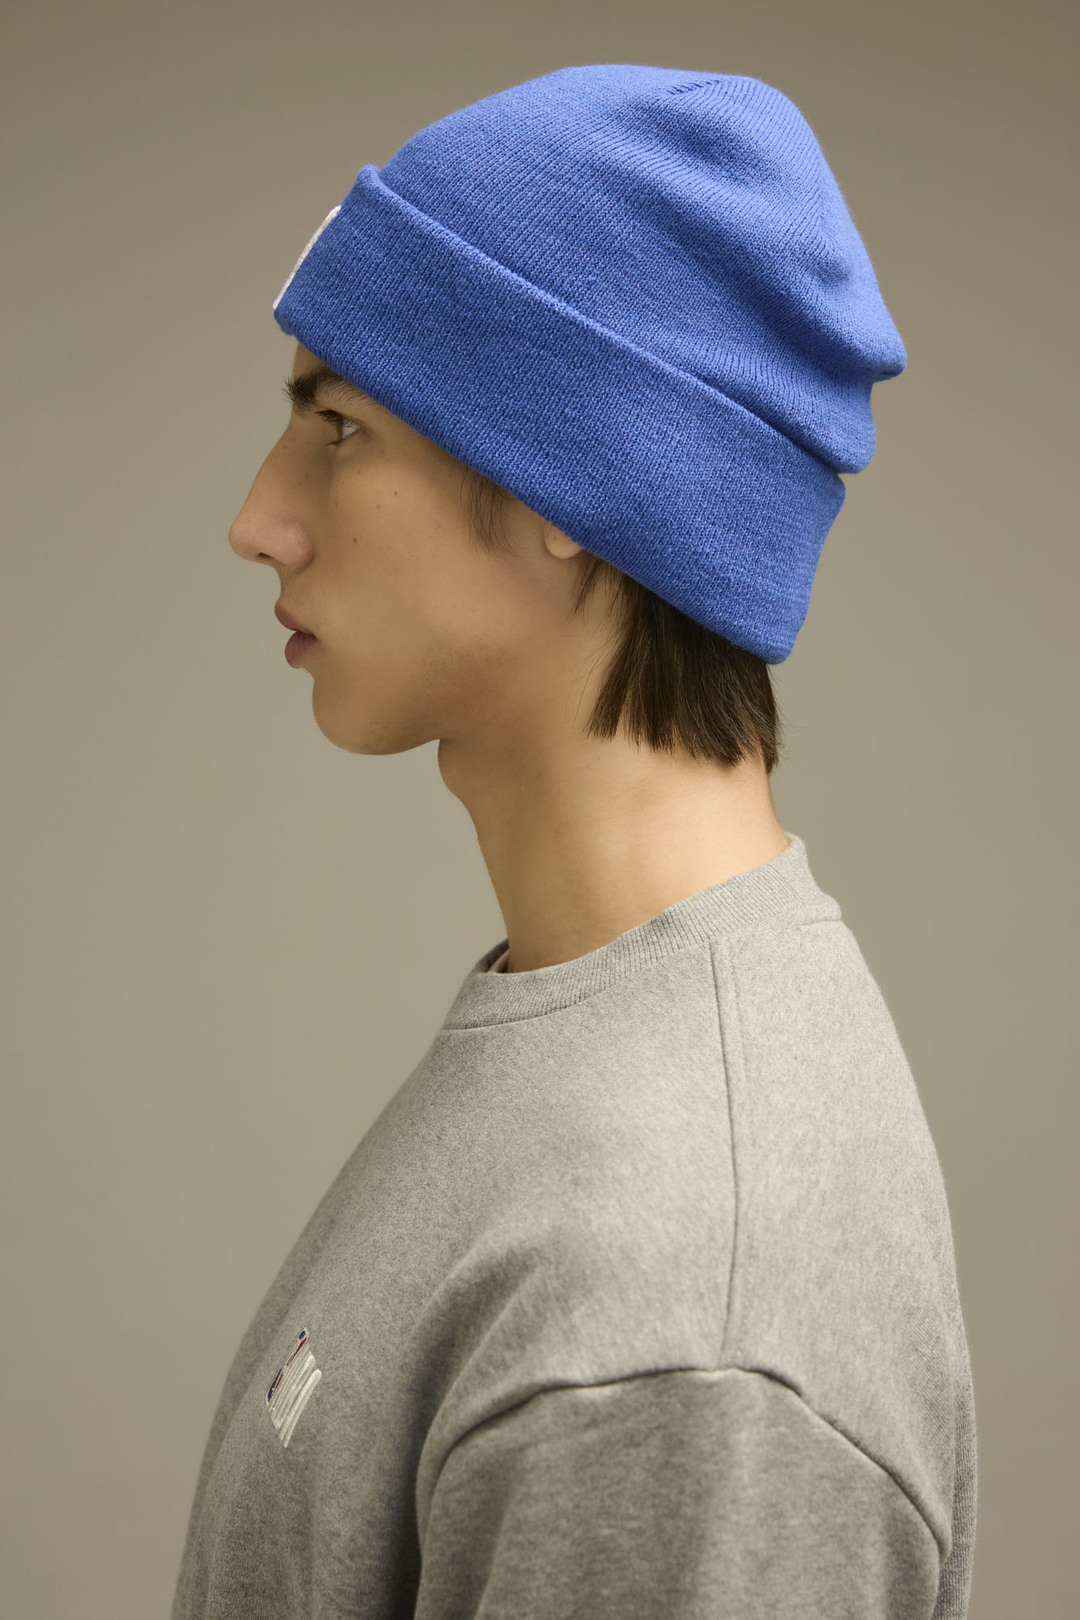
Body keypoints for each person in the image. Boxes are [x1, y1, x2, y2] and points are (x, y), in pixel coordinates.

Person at [172, 63, 976, 1620]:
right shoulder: (587, 1034)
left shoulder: (681, 1328)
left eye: (338, 425)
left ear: (584, 484)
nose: (259, 518)